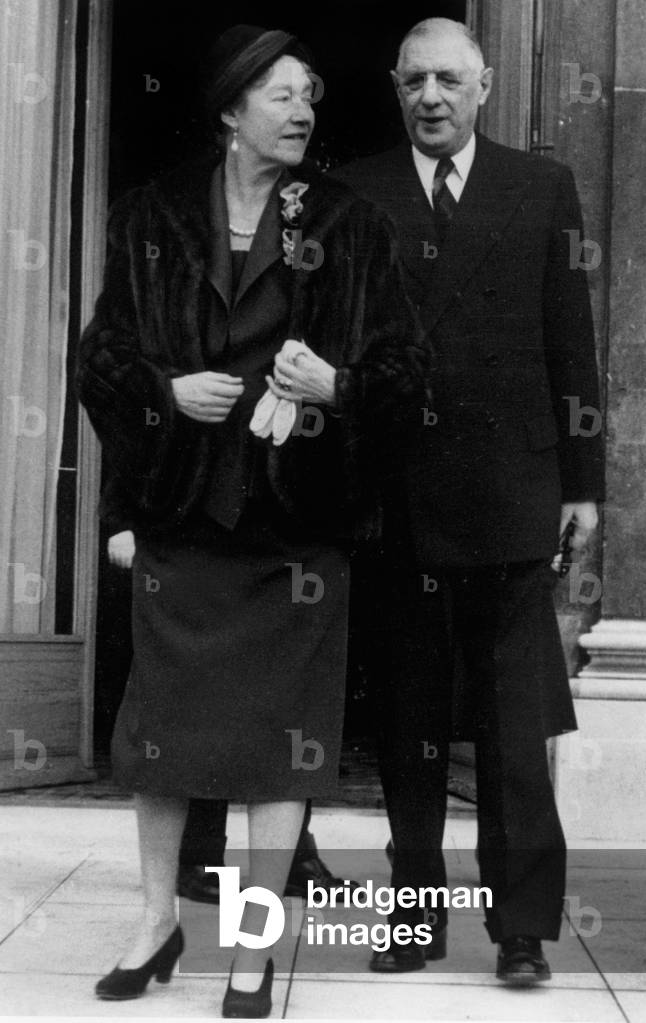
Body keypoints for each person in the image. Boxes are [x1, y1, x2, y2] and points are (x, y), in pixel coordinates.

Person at [77, 23, 425, 1018]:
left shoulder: (348, 224)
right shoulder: (151, 215)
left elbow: (403, 372)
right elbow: (102, 358)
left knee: (284, 743)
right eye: (280, 94)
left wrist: (335, 386)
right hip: (184, 514)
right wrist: (165, 392)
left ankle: (255, 944)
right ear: (231, 110)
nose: (302, 109)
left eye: (309, 93)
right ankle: (156, 923)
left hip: (293, 530)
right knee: (160, 737)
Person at [335, 18, 605, 984]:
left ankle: (521, 929)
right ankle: (413, 918)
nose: (431, 98)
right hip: (396, 497)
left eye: (449, 80)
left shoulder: (541, 185)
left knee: (513, 727)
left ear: (483, 87)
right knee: (407, 723)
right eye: (414, 81)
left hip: (512, 493)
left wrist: (583, 487)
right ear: (395, 87)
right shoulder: (353, 192)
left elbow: (570, 337)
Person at [103, 525, 357, 906]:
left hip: (288, 531)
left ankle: (293, 856)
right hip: (200, 532)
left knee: (292, 695)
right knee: (206, 686)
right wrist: (123, 522)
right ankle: (198, 855)